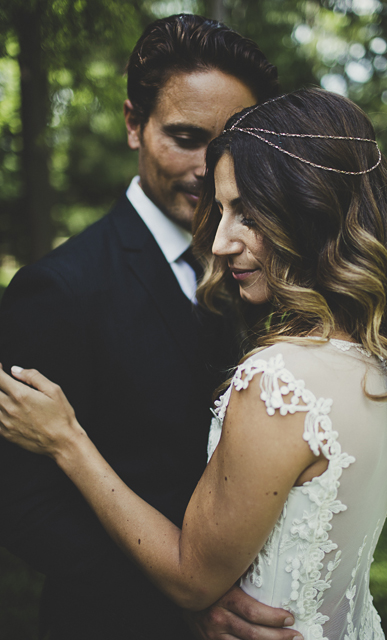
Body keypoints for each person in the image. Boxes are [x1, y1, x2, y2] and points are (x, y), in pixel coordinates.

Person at [1, 87, 387, 639]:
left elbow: (191, 580)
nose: (221, 242)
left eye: (246, 213)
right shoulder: (384, 353)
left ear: (308, 206)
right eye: (222, 211)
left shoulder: (279, 380)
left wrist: (67, 440)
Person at [0, 13, 302, 640]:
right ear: (135, 124)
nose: (208, 167)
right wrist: (185, 599)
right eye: (187, 137)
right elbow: (23, 504)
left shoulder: (278, 273)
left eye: (230, 141)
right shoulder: (57, 289)